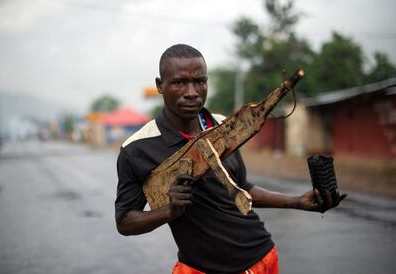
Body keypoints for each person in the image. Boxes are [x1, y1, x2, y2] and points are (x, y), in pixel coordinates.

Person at [115, 44, 346, 274]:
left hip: (262, 258)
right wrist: (169, 211)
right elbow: (125, 221)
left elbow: (241, 187)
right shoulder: (137, 149)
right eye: (179, 82)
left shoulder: (225, 126)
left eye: (200, 81)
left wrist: (297, 202)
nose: (192, 92)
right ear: (160, 85)